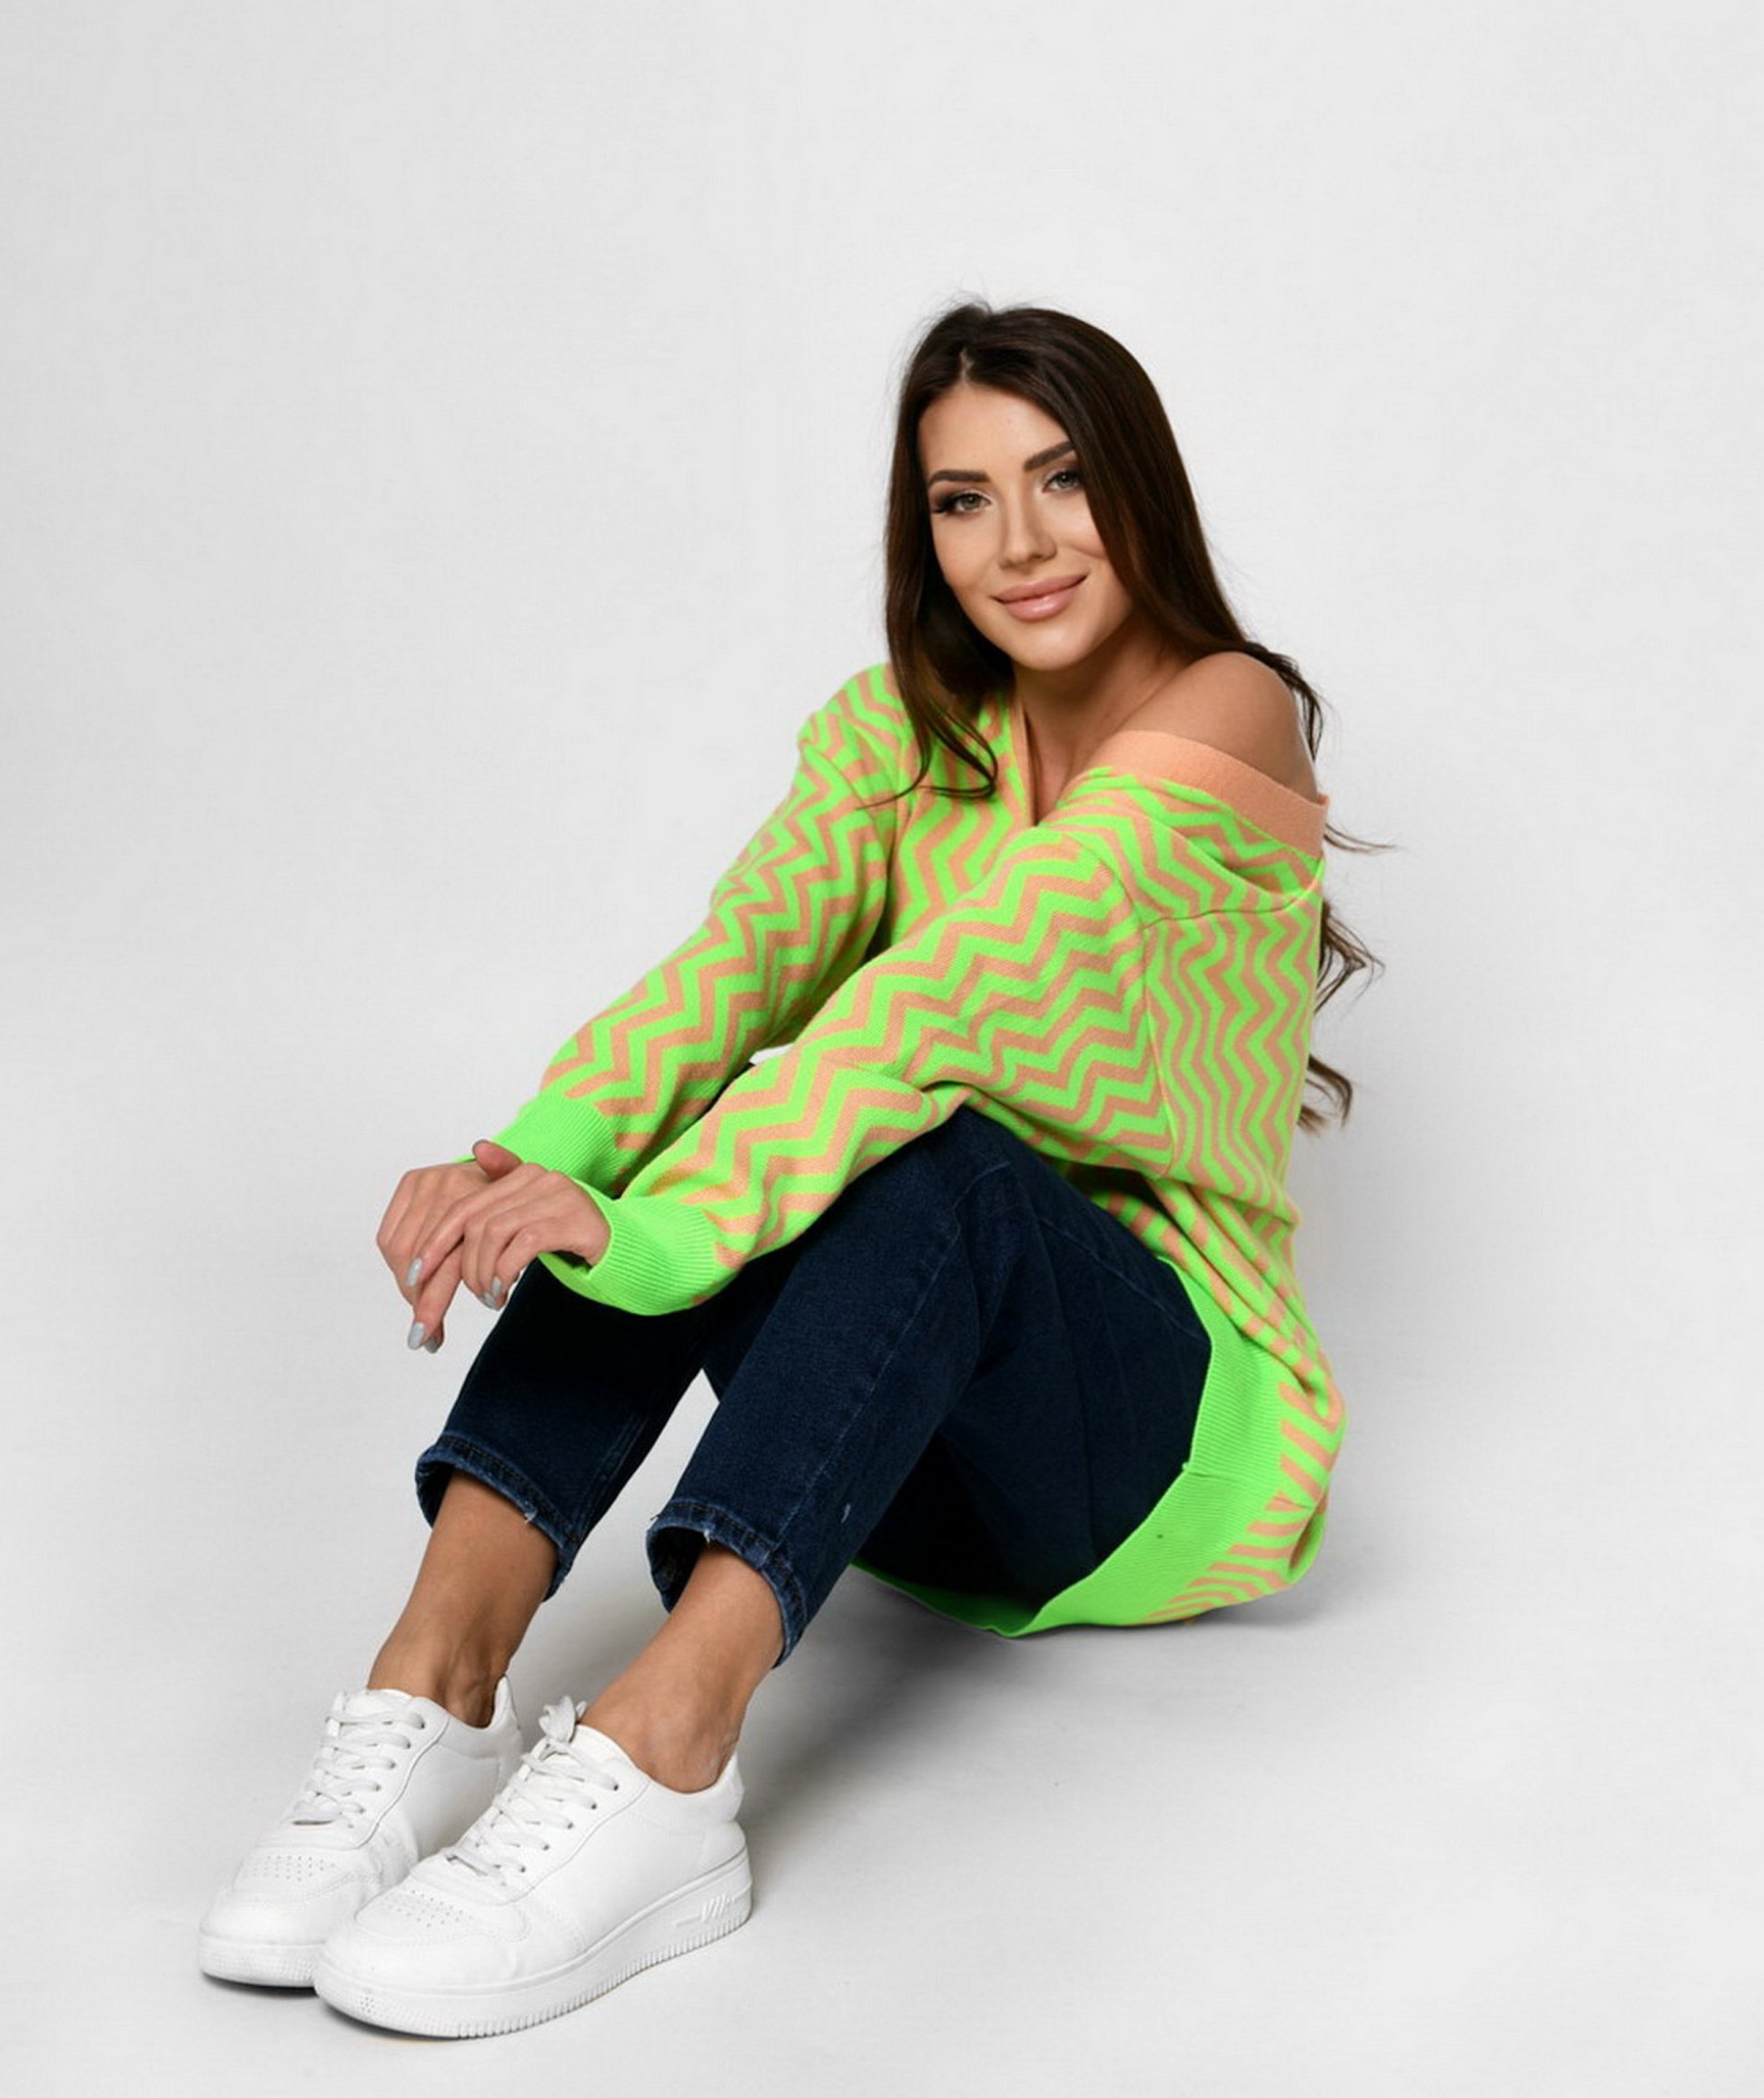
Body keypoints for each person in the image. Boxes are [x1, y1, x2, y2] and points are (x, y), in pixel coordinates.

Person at [199, 300, 1375, 2039]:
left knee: (922, 1145)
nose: (1020, 542)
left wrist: (655, 1226)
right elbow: (728, 976)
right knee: (721, 1117)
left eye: (1062, 480)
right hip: (889, 1449)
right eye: (963, 501)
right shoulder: (900, 730)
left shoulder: (1229, 710)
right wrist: (527, 1164)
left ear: (1141, 487)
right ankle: (429, 1684)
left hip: (1157, 1451)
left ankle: (670, 1758)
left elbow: (940, 1003)